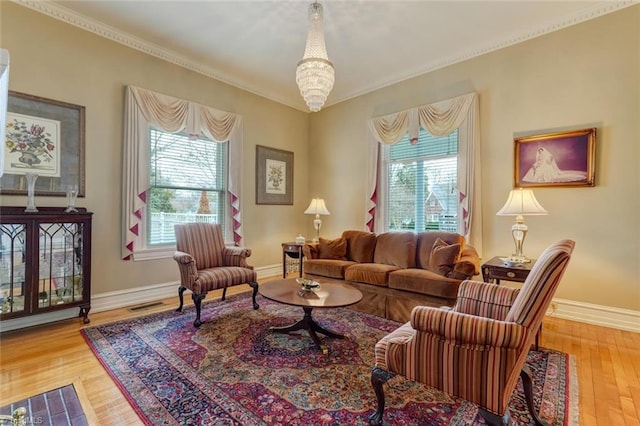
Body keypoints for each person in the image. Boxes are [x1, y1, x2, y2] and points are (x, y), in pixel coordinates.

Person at [522, 147, 586, 183]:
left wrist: (542, 163)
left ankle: (541, 177)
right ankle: (533, 178)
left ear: (543, 151)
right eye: (539, 151)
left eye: (541, 151)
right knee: (532, 169)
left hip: (544, 165)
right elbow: (538, 161)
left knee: (545, 169)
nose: (540, 152)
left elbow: (547, 161)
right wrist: (535, 165)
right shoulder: (538, 156)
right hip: (539, 165)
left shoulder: (545, 156)